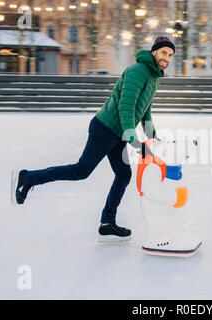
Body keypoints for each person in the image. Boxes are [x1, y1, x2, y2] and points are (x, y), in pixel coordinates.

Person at [12, 36, 176, 241]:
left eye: (170, 55)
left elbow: (145, 111)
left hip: (118, 134)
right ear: (154, 52)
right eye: (163, 53)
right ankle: (29, 177)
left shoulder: (154, 77)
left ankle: (107, 223)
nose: (166, 58)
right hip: (105, 129)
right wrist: (135, 141)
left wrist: (152, 138)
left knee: (123, 175)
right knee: (81, 171)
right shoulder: (137, 72)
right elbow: (126, 108)